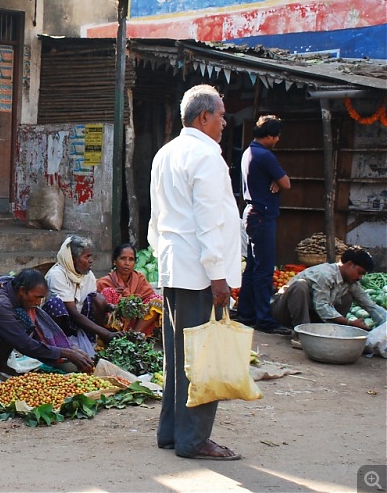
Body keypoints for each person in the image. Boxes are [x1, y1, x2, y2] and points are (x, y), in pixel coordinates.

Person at [148, 84, 242, 461]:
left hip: (176, 268)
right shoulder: (205, 156)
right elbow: (209, 221)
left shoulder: (166, 153)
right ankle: (194, 440)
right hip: (201, 273)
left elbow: (157, 219)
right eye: (221, 115)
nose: (224, 122)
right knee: (202, 358)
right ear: (203, 117)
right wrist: (218, 275)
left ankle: (172, 433)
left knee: (179, 357)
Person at [0, 269, 94, 375]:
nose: (38, 303)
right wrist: (65, 353)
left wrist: (69, 348)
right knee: (17, 322)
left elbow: (34, 336)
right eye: (37, 297)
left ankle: (1, 365)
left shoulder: (12, 293)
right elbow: (23, 343)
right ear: (22, 291)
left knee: (22, 318)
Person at [235, 115, 292, 335]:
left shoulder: (248, 152)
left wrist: (274, 182)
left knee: (252, 267)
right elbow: (286, 183)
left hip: (250, 213)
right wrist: (277, 182)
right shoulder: (265, 155)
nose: (277, 140)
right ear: (269, 136)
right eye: (276, 136)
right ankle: (264, 319)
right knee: (264, 270)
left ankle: (246, 313)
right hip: (262, 216)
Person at [271, 248, 386, 344]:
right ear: (349, 264)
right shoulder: (325, 275)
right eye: (359, 272)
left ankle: (325, 332)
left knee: (347, 298)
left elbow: (370, 305)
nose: (360, 277)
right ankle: (301, 335)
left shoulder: (352, 282)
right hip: (283, 310)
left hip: (311, 312)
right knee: (300, 286)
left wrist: (385, 323)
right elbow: (322, 307)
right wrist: (349, 323)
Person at [42, 235, 122, 356]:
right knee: (55, 304)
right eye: (86, 257)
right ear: (73, 259)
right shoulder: (57, 275)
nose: (91, 260)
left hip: (79, 320)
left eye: (91, 256)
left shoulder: (87, 275)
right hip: (61, 323)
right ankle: (61, 343)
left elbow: (93, 301)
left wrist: (109, 307)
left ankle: (90, 342)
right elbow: (73, 314)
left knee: (99, 299)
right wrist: (106, 334)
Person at [96, 243, 164, 338]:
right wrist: (115, 294)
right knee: (107, 292)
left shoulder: (140, 279)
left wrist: (134, 299)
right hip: (112, 329)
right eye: (123, 258)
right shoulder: (103, 282)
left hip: (135, 323)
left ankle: (134, 335)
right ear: (115, 261)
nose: (127, 263)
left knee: (157, 299)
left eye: (131, 259)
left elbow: (149, 298)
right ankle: (115, 337)